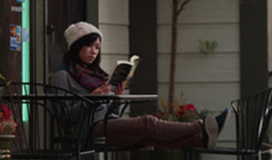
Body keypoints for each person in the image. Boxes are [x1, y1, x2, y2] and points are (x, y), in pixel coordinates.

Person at [51, 21, 228, 149]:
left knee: (149, 138)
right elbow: (65, 117)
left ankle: (200, 139)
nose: (94, 51)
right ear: (76, 47)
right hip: (86, 131)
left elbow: (110, 113)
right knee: (147, 124)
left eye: (97, 47)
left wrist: (116, 99)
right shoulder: (63, 77)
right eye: (89, 46)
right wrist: (91, 99)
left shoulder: (97, 76)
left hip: (106, 124)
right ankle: (201, 126)